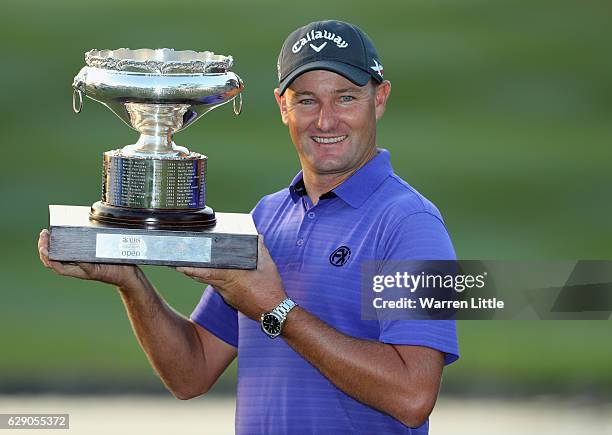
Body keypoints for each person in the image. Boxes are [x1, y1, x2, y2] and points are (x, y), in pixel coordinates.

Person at [38, 20, 458, 434]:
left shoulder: (412, 224)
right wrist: (130, 280)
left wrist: (276, 310)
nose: (326, 121)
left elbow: (413, 398)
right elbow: (192, 372)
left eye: (345, 98)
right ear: (283, 106)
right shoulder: (268, 216)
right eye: (307, 100)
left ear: (379, 98)